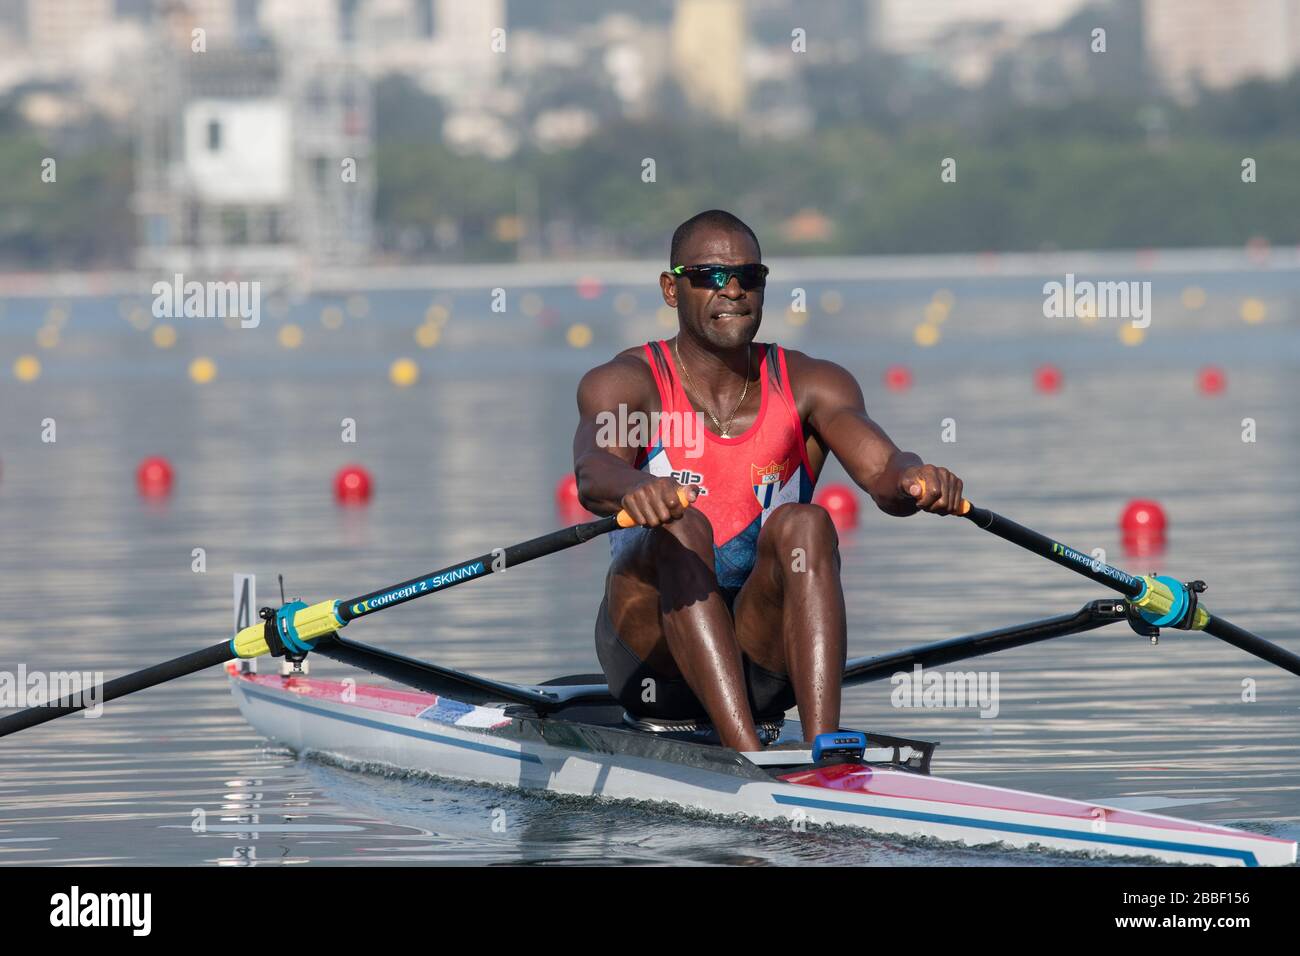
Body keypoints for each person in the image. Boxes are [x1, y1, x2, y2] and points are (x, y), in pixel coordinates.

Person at [572, 209, 965, 751]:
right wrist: (632, 487)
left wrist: (916, 477)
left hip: (762, 667)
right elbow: (594, 472)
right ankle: (749, 758)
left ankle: (824, 748)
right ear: (671, 288)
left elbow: (883, 472)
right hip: (651, 665)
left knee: (806, 522)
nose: (732, 290)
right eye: (711, 276)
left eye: (749, 277)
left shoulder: (811, 383)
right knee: (682, 527)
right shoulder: (629, 383)